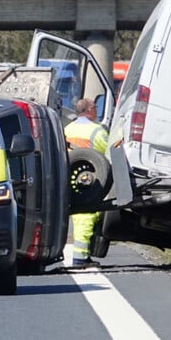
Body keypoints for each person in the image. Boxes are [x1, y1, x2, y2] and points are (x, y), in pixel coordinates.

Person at [65, 97, 109, 269]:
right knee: (86, 216)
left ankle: (80, 256)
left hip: (69, 177)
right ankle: (80, 258)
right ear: (89, 110)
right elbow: (108, 151)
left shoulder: (68, 128)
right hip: (89, 179)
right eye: (95, 107)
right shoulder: (96, 131)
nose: (97, 110)